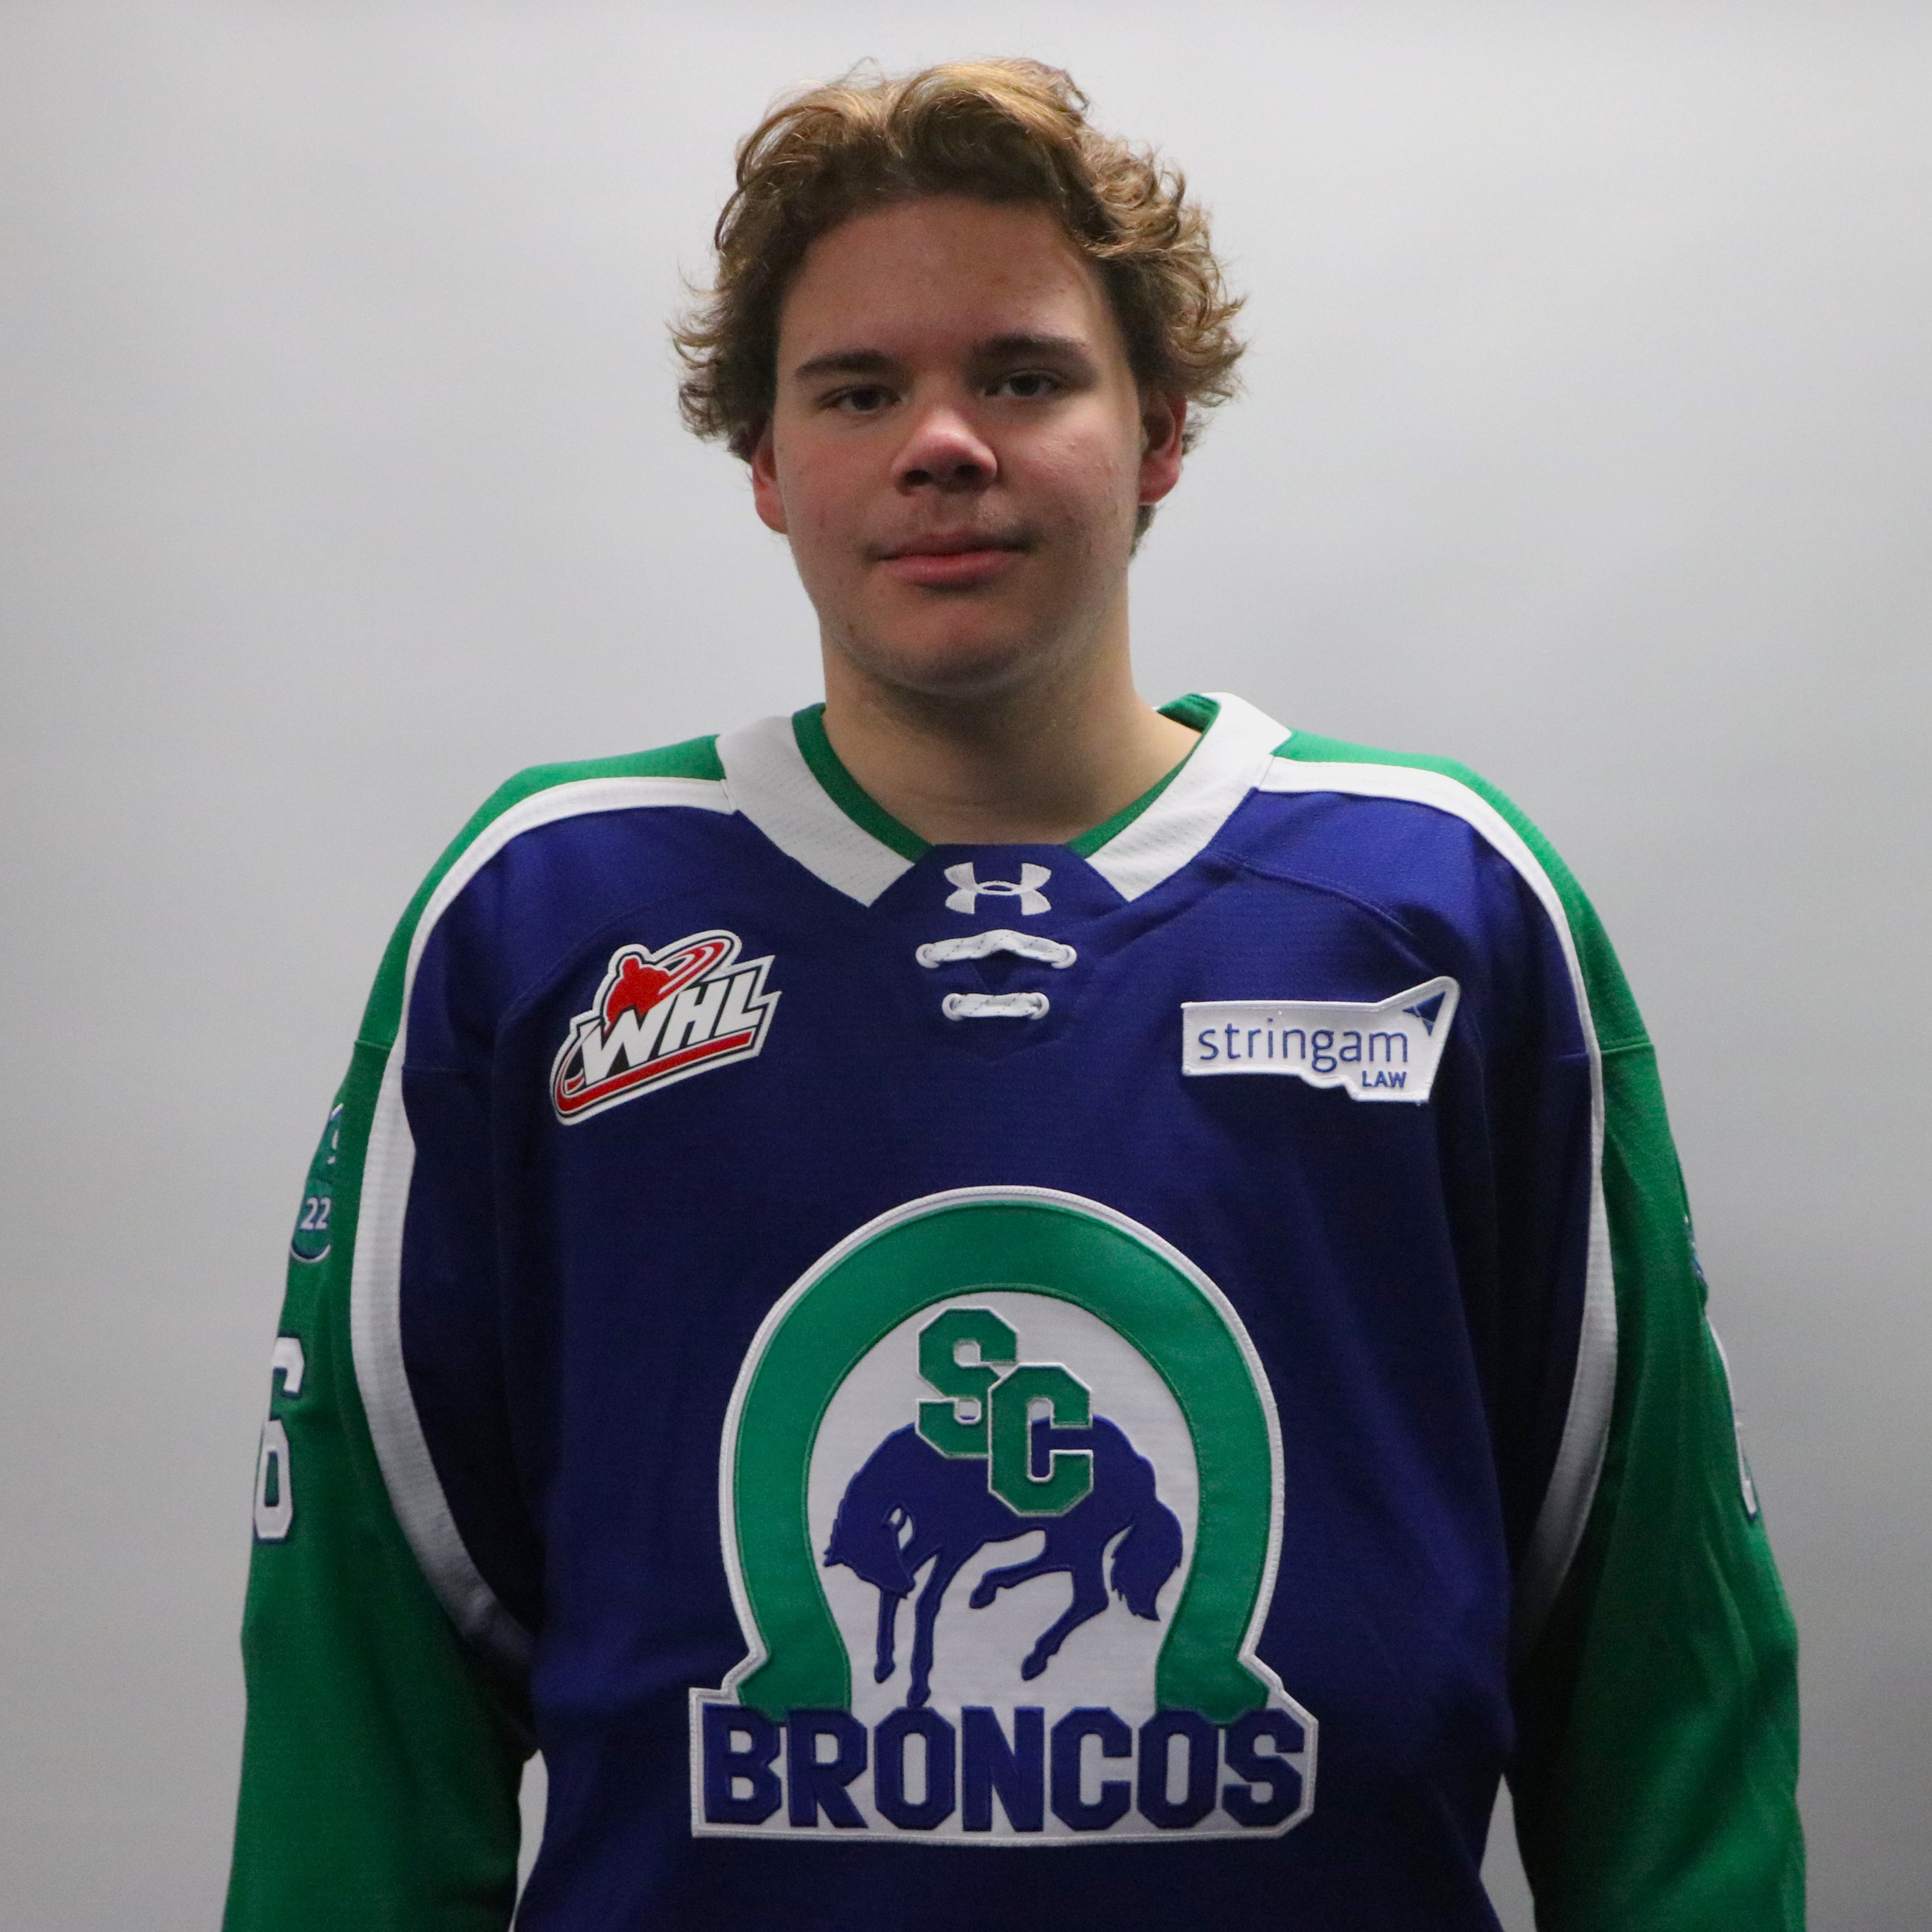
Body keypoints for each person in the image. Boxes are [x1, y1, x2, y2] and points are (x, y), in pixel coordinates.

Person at [223, 58, 1803, 1932]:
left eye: (1026, 376)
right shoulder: (547, 914)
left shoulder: (1436, 903)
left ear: (1159, 433)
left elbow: (1652, 1639)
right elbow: (370, 1658)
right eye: (856, 390)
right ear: (764, 461)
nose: (942, 444)